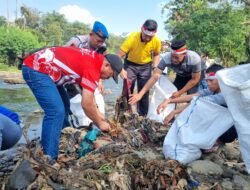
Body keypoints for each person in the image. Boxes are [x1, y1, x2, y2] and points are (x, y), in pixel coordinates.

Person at [22, 46, 124, 160]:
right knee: (55, 112)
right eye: (111, 75)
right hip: (36, 68)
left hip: (49, 71)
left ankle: (62, 137)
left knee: (65, 105)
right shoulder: (93, 68)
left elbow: (90, 97)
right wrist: (100, 124)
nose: (108, 78)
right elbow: (86, 104)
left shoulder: (95, 60)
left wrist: (100, 115)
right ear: (107, 65)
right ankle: (50, 158)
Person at [157, 64, 237, 148]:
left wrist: (175, 112)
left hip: (230, 131)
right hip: (221, 125)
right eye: (207, 81)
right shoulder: (212, 89)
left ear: (221, 79)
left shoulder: (225, 95)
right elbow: (194, 96)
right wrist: (169, 100)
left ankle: (218, 141)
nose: (208, 84)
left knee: (201, 109)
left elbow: (198, 102)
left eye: (211, 80)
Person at [129, 39, 206, 106]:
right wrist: (140, 94)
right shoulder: (166, 58)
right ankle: (170, 118)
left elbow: (194, 80)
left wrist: (180, 92)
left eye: (177, 57)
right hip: (181, 75)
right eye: (172, 56)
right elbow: (155, 76)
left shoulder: (194, 59)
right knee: (171, 94)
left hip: (197, 75)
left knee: (192, 98)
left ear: (185, 54)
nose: (173, 60)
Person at [117, 19, 161, 116]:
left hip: (146, 66)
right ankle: (125, 113)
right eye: (146, 36)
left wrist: (155, 67)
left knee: (144, 91)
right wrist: (121, 70)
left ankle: (142, 116)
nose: (147, 39)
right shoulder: (132, 38)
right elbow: (118, 55)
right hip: (130, 65)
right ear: (142, 29)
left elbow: (157, 54)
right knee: (127, 89)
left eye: (150, 37)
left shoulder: (156, 41)